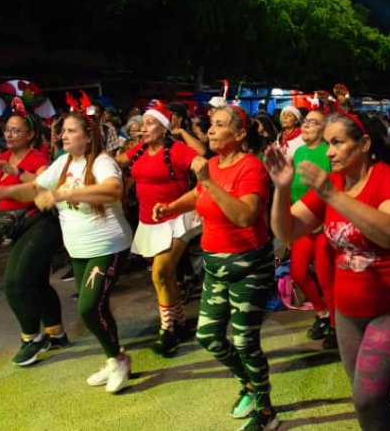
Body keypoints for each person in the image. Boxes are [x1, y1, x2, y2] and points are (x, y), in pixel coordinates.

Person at [266, 111, 390, 431]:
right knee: (368, 405)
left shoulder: (388, 178)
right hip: (349, 314)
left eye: (337, 143)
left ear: (364, 144)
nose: (328, 152)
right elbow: (287, 231)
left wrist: (332, 196)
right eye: (327, 143)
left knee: (369, 400)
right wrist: (282, 189)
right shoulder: (334, 183)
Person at [153, 105, 277, 430]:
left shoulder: (252, 169)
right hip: (214, 265)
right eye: (210, 125)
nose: (209, 131)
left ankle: (265, 411)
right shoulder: (212, 165)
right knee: (208, 335)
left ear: (238, 134)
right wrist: (170, 207)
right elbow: (197, 194)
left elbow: (245, 216)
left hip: (248, 265)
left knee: (245, 341)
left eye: (219, 125)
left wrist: (208, 182)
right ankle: (249, 384)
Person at [29, 110, 133, 393]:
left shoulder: (102, 162)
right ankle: (113, 359)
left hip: (107, 245)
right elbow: (36, 187)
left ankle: (119, 359)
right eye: (62, 131)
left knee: (88, 307)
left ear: (88, 137)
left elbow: (113, 190)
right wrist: (3, 190)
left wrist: (64, 194)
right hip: (78, 249)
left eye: (71, 130)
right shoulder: (63, 162)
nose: (64, 135)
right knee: (95, 307)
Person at [0, 109, 69, 367]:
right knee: (38, 283)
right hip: (18, 227)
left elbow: (44, 184)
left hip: (39, 223)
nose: (9, 134)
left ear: (30, 135)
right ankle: (56, 333)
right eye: (7, 130)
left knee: (15, 282)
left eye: (15, 130)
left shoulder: (38, 157)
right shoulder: (4, 157)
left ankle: (31, 338)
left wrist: (12, 175)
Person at [116, 102, 201, 357]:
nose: (143, 128)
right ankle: (181, 322)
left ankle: (168, 331)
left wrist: (202, 195)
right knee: (166, 277)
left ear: (164, 128)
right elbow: (118, 163)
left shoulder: (178, 150)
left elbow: (203, 163)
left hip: (177, 218)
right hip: (149, 221)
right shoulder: (139, 149)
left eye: (150, 123)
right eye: (143, 123)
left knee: (160, 273)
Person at [287, 109, 335, 349]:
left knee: (326, 277)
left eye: (313, 123)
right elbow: (291, 189)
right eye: (305, 122)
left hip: (325, 225)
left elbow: (336, 190)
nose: (306, 126)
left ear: (324, 129)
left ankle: (337, 325)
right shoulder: (298, 153)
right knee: (298, 273)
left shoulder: (330, 153)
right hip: (302, 226)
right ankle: (322, 313)